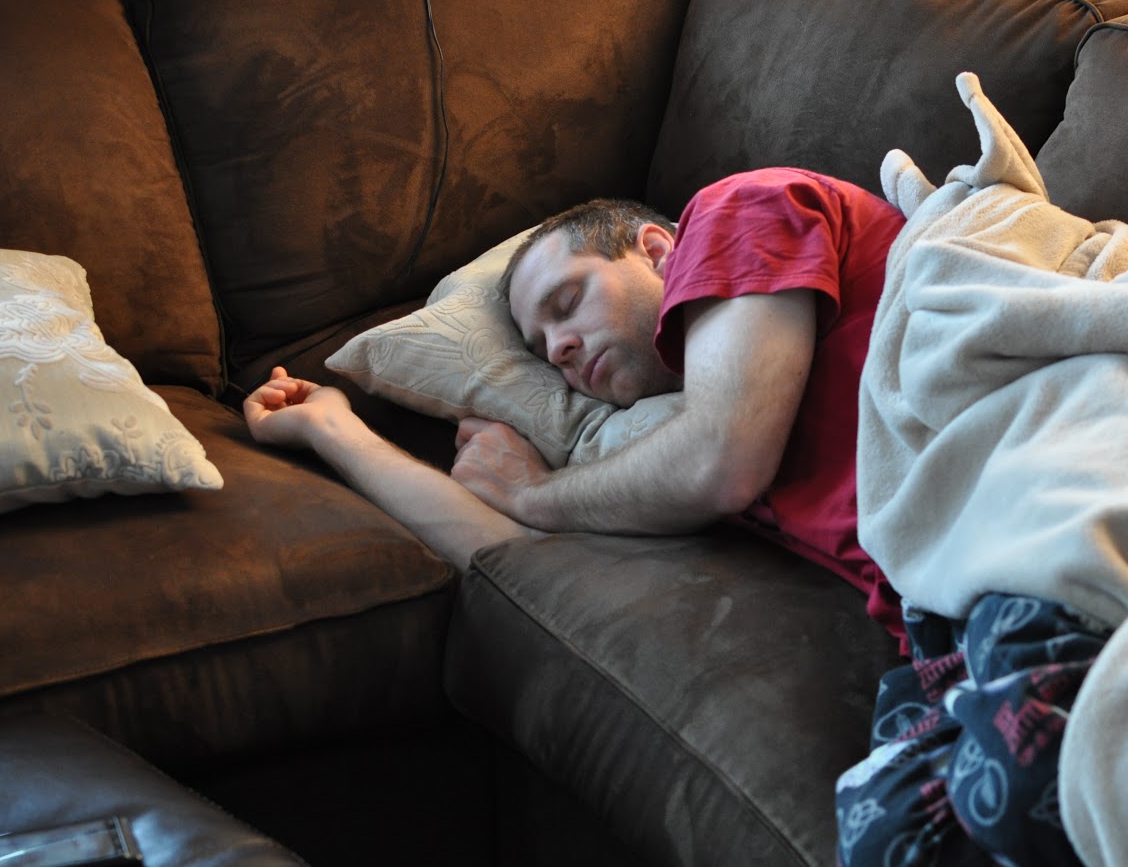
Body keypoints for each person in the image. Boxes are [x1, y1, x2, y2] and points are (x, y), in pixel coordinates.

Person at [245, 166, 906, 643]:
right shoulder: (660, 447)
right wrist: (334, 429)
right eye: (542, 351)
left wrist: (533, 490)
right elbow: (513, 558)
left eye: (567, 303)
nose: (559, 348)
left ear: (657, 250)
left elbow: (718, 462)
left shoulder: (736, 207)